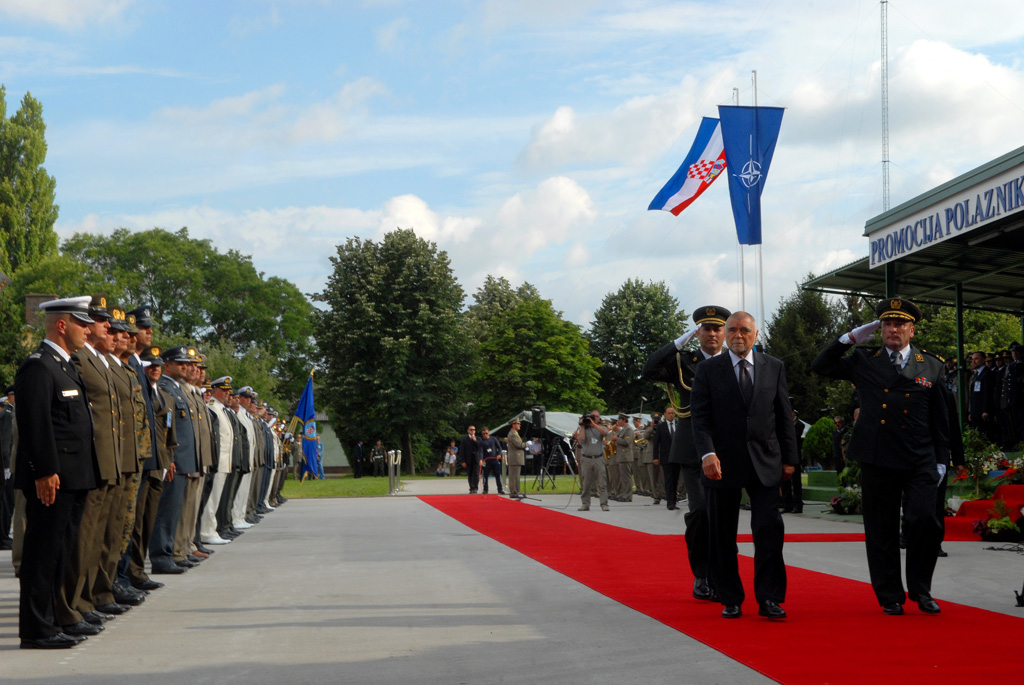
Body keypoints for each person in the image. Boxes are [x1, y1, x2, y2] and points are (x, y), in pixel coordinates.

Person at [811, 298, 949, 616]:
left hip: (919, 458)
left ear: (912, 330)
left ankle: (921, 589)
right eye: (887, 324)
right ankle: (889, 595)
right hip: (878, 456)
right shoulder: (863, 360)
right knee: (881, 528)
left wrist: (943, 458)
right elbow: (821, 365)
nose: (893, 329)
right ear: (880, 328)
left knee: (923, 520)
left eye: (900, 324)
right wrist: (849, 338)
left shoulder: (931, 364)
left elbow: (940, 418)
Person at [691, 311, 798, 620]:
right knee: (722, 535)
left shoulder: (773, 366)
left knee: (769, 531)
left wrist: (790, 459)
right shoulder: (708, 370)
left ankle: (770, 598)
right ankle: (730, 597)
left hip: (766, 461)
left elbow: (783, 415)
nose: (738, 335)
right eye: (733, 330)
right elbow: (700, 418)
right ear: (726, 335)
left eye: (745, 330)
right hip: (721, 463)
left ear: (756, 334)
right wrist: (707, 454)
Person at [15, 296, 99, 649]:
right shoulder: (39, 367)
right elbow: (35, 426)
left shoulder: (65, 366)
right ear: (62, 325)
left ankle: (54, 620)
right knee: (42, 554)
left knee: (61, 552)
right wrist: (45, 471)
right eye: (83, 324)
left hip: (73, 476)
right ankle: (36, 630)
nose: (89, 331)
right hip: (52, 479)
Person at [643, 305, 730, 601]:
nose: (712, 334)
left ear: (724, 333)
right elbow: (650, 369)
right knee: (702, 512)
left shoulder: (734, 361)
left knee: (723, 516)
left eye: (717, 328)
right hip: (693, 450)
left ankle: (721, 575)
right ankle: (702, 574)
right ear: (698, 333)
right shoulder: (684, 362)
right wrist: (679, 343)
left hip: (728, 450)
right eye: (706, 329)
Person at [574, 410, 609, 512]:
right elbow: (581, 440)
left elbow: (605, 433)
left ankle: (604, 504)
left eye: (596, 416)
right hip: (586, 458)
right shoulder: (584, 428)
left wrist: (594, 424)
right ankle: (585, 504)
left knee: (602, 482)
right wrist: (583, 426)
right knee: (586, 483)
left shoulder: (601, 427)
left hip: (598, 458)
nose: (594, 418)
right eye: (593, 416)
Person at [477, 428, 504, 495]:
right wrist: (481, 459)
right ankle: (485, 490)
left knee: (498, 474)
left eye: (486, 433)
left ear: (488, 432)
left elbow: (499, 447)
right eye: (483, 434)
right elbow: (480, 451)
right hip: (486, 460)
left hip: (494, 459)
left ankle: (500, 489)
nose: (485, 435)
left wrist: (499, 454)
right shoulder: (481, 441)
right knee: (485, 475)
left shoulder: (493, 439)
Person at [504, 419, 526, 499]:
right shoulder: (513, 434)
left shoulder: (514, 433)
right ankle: (513, 492)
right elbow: (519, 445)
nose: (520, 425)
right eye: (518, 424)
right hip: (515, 458)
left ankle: (516, 490)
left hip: (516, 458)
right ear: (513, 425)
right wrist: (527, 444)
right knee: (514, 476)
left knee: (516, 476)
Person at [458, 428, 478, 493]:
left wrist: (475, 441)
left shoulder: (478, 438)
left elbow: (480, 448)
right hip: (468, 459)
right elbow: (462, 451)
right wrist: (463, 461)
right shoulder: (464, 440)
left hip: (476, 459)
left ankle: (475, 487)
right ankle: (471, 487)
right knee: (470, 474)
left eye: (474, 429)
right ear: (468, 431)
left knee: (476, 474)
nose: (472, 431)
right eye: (471, 429)